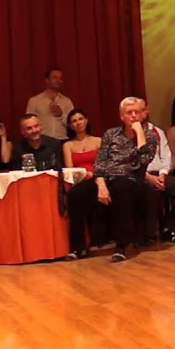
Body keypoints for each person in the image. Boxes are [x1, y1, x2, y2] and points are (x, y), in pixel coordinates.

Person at [67, 98, 156, 262]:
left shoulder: (150, 137)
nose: (134, 116)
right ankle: (77, 247)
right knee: (75, 193)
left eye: (136, 112)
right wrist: (101, 185)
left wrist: (139, 134)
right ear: (122, 116)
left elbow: (142, 162)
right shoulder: (111, 134)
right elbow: (100, 162)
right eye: (129, 113)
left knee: (122, 188)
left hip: (130, 178)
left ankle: (122, 246)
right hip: (106, 178)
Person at [138, 99, 175, 244]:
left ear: (147, 111)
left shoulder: (157, 131)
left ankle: (172, 228)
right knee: (149, 192)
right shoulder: (127, 134)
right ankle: (148, 234)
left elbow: (166, 156)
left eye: (141, 110)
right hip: (140, 175)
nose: (138, 115)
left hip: (160, 173)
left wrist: (162, 174)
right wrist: (148, 177)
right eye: (134, 112)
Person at [24, 67, 75, 141]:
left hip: (62, 140)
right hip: (41, 141)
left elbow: (73, 125)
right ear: (47, 80)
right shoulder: (34, 101)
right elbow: (28, 123)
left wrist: (61, 115)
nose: (58, 80)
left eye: (60, 78)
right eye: (55, 77)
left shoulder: (67, 101)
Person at [62, 109, 100, 176]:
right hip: (77, 178)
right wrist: (85, 174)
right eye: (74, 121)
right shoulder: (67, 145)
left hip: (97, 177)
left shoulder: (98, 141)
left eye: (80, 119)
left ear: (86, 120)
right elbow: (70, 170)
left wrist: (94, 175)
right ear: (70, 126)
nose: (78, 123)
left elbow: (103, 165)